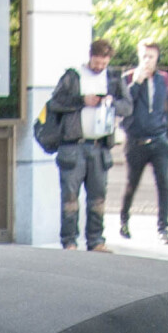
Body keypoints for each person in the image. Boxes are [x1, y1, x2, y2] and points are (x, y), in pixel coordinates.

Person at [36, 39, 122, 250]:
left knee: (98, 197)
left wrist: (111, 102)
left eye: (103, 63)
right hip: (73, 146)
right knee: (70, 197)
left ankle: (96, 241)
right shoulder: (73, 77)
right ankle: (69, 241)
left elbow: (127, 106)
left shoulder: (113, 79)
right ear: (90, 56)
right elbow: (55, 102)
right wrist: (82, 101)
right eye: (96, 62)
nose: (99, 67)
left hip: (99, 146)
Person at [119, 40, 168, 245]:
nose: (147, 60)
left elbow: (166, 106)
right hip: (136, 140)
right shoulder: (128, 79)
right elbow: (125, 106)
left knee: (164, 184)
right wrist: (137, 82)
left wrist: (167, 134)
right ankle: (124, 220)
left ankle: (163, 228)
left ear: (157, 58)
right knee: (131, 184)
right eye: (144, 56)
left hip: (158, 139)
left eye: (151, 56)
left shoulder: (164, 79)